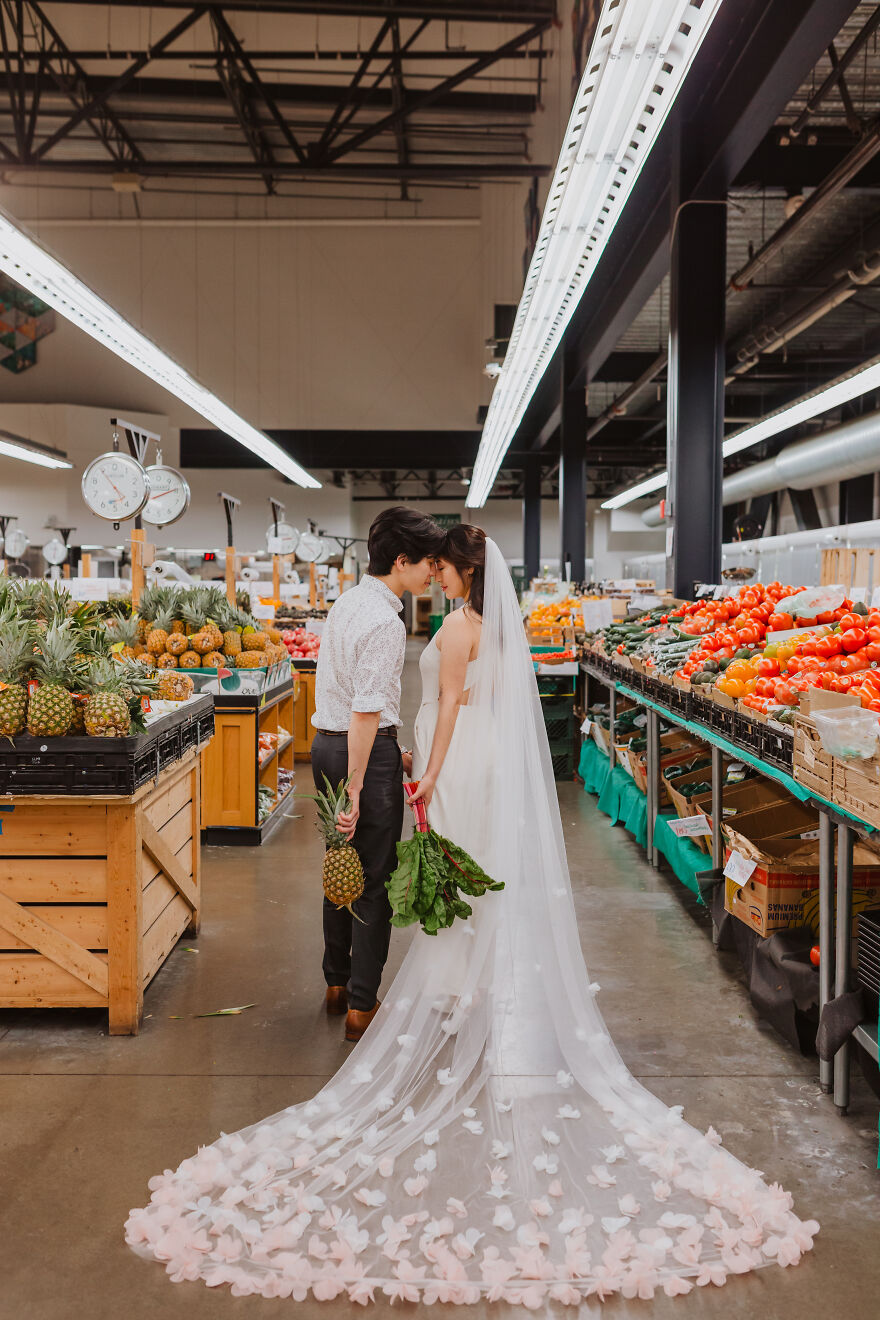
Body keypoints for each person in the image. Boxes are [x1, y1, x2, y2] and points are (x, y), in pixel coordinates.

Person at [126, 527, 818, 1306]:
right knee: (476, 874)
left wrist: (430, 773)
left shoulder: (454, 627)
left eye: (446, 568)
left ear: (461, 570)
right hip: (479, 754)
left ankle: (453, 989)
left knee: (443, 877)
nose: (438, 577)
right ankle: (475, 985)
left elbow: (448, 709)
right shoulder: (485, 626)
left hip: (456, 755)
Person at [310, 506, 444, 1043]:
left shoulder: (348, 602)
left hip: (327, 745)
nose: (434, 572)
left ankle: (336, 983)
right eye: (427, 562)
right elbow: (366, 710)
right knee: (374, 880)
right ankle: (363, 1007)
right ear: (401, 559)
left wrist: (390, 748)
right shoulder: (387, 623)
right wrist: (363, 784)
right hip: (360, 753)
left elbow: (350, 698)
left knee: (340, 864)